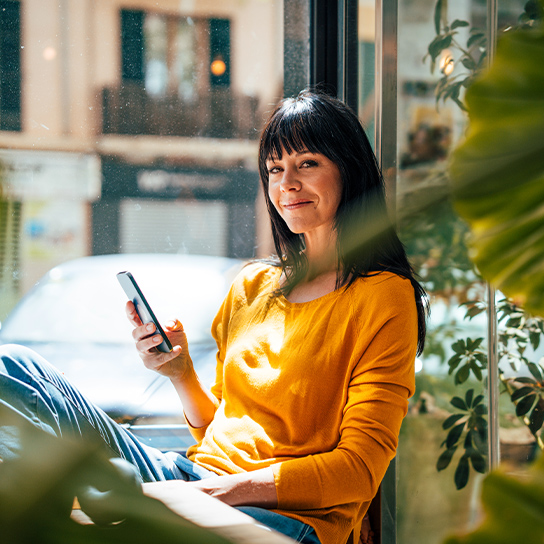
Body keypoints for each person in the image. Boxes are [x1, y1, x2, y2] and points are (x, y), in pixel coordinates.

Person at [0, 89, 428, 544]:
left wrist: (216, 493)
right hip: (195, 476)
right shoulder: (253, 285)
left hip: (287, 519)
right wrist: (181, 374)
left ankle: (89, 497)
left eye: (307, 164)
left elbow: (359, 471)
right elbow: (220, 426)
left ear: (349, 170)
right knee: (14, 367)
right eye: (275, 169)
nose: (287, 183)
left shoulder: (383, 296)